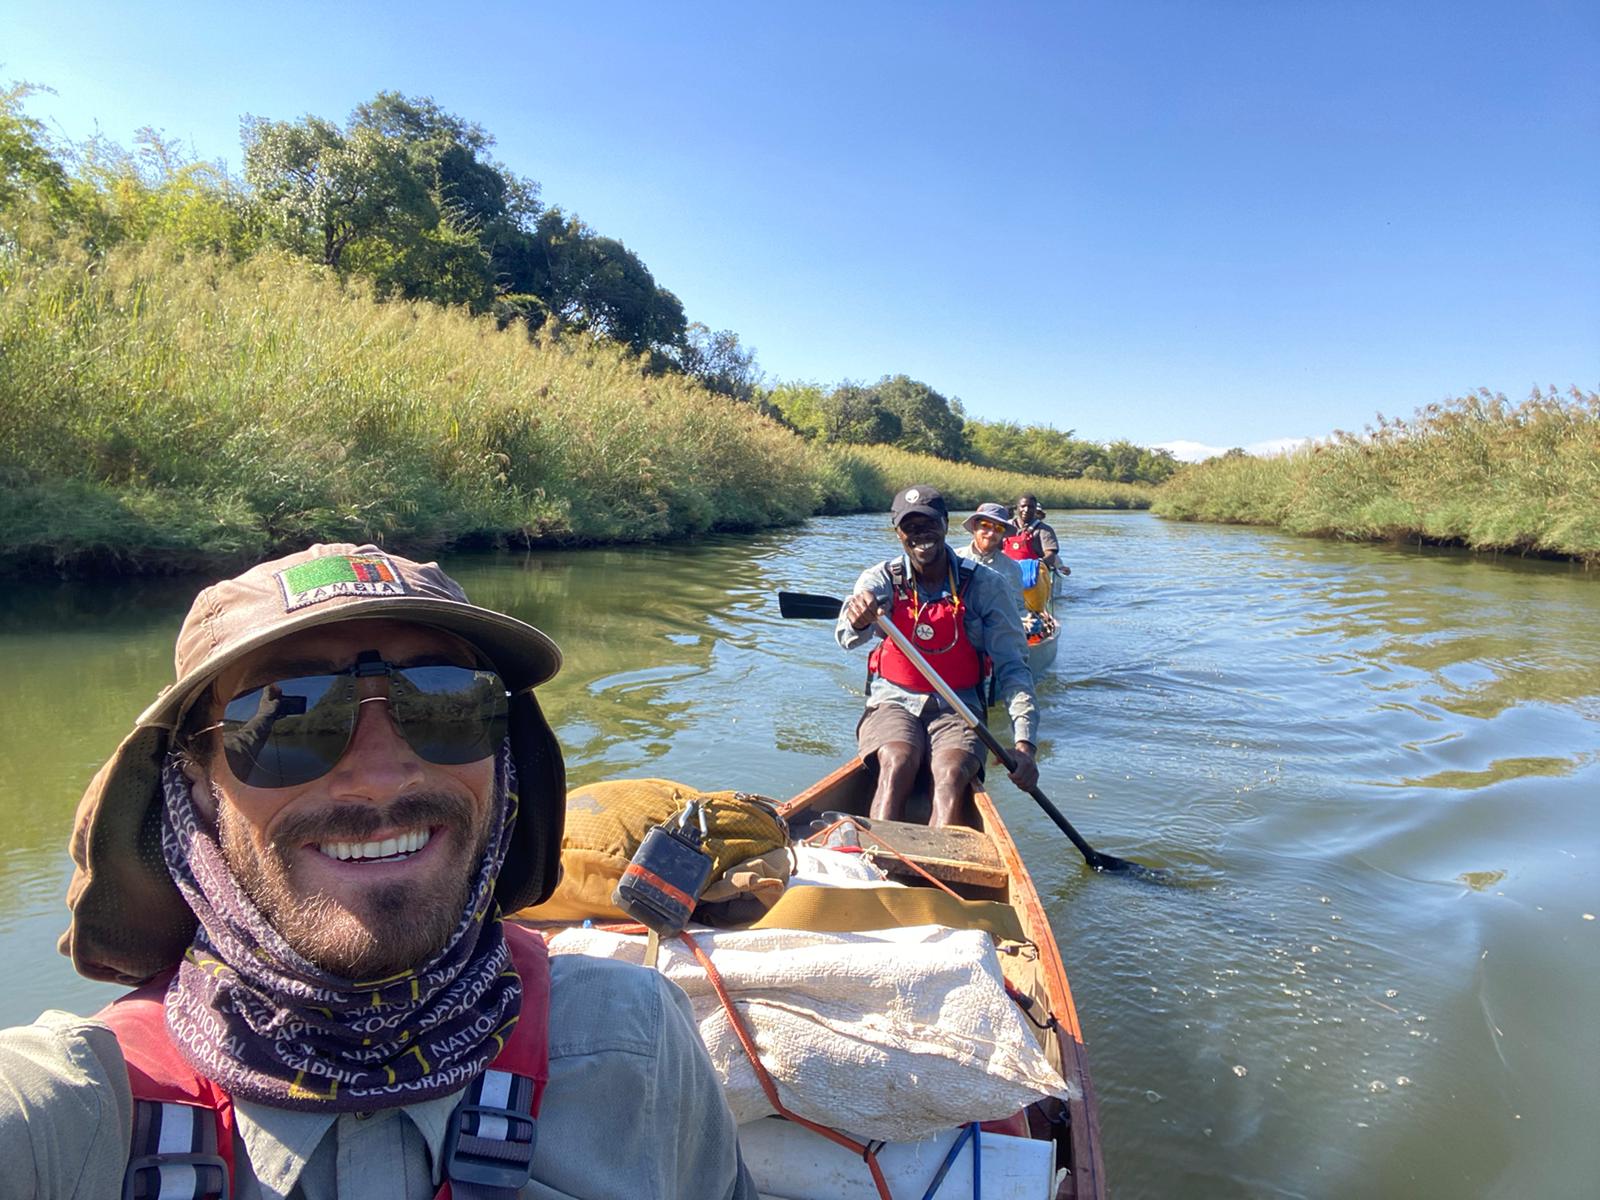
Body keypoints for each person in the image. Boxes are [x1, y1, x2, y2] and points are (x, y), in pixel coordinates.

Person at [0, 543, 755, 1199]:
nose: (382, 779)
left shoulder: (635, 1041)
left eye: (447, 702)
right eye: (288, 714)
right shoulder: (66, 1120)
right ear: (195, 779)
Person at [836, 486, 1039, 828]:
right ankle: (880, 860)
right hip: (893, 700)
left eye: (928, 524)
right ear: (898, 532)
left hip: (959, 704)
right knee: (898, 760)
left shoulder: (987, 586)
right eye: (909, 527)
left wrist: (1025, 744)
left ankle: (936, 870)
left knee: (948, 774)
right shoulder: (880, 579)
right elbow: (845, 638)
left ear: (945, 524)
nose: (920, 535)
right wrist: (857, 617)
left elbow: (1013, 667)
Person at [958, 502, 1028, 618]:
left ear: (1003, 534)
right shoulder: (954, 558)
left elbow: (1017, 608)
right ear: (975, 526)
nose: (991, 533)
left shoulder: (1012, 569)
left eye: (999, 528)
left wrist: (1026, 622)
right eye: (985, 525)